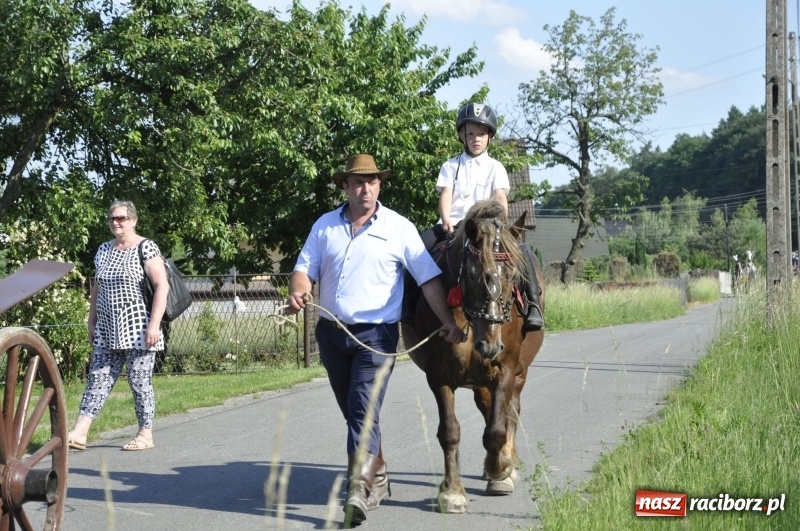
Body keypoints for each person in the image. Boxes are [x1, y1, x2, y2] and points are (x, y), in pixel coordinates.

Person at [285, 154, 466, 526]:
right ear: (346, 187)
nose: (364, 188)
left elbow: (429, 279)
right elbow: (303, 270)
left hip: (377, 337)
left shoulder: (399, 227)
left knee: (363, 412)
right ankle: (378, 475)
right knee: (353, 410)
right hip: (332, 335)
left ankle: (358, 490)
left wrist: (448, 321)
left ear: (380, 185)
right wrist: (298, 291)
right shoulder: (324, 227)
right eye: (356, 182)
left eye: (371, 181)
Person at [420, 101, 544, 331]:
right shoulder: (450, 165)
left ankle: (533, 305)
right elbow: (446, 194)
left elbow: (499, 197)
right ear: (461, 135)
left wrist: (502, 224)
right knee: (417, 251)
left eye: (481, 134)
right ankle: (407, 308)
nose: (476, 139)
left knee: (522, 251)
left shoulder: (496, 167)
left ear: (489, 137)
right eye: (470, 134)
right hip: (453, 225)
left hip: (487, 228)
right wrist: (445, 218)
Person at [67, 200, 169, 452]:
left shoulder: (146, 247)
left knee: (139, 381)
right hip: (107, 327)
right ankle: (79, 433)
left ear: (133, 220)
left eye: (121, 218)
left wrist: (154, 325)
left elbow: (162, 286)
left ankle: (145, 434)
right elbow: (97, 287)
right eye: (112, 218)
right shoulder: (103, 250)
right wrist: (92, 321)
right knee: (97, 378)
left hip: (138, 327)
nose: (115, 222)